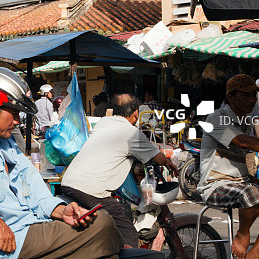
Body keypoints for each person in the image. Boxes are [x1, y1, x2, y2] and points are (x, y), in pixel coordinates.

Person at [0, 67, 122, 259]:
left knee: (100, 237)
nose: (18, 121)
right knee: (103, 224)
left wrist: (61, 211)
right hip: (11, 240)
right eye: (14, 113)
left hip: (32, 225)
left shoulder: (6, 143)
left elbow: (33, 189)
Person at [59, 93, 179, 247]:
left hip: (69, 181)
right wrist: (169, 164)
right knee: (127, 231)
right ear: (136, 112)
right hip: (90, 189)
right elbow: (160, 158)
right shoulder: (132, 133)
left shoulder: (103, 123)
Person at [199, 74, 259, 259]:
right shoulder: (216, 118)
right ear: (230, 97)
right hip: (215, 185)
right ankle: (242, 234)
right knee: (252, 194)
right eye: (245, 96)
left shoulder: (246, 121)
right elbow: (242, 142)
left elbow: (246, 147)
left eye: (253, 96)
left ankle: (256, 252)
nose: (251, 100)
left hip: (240, 182)